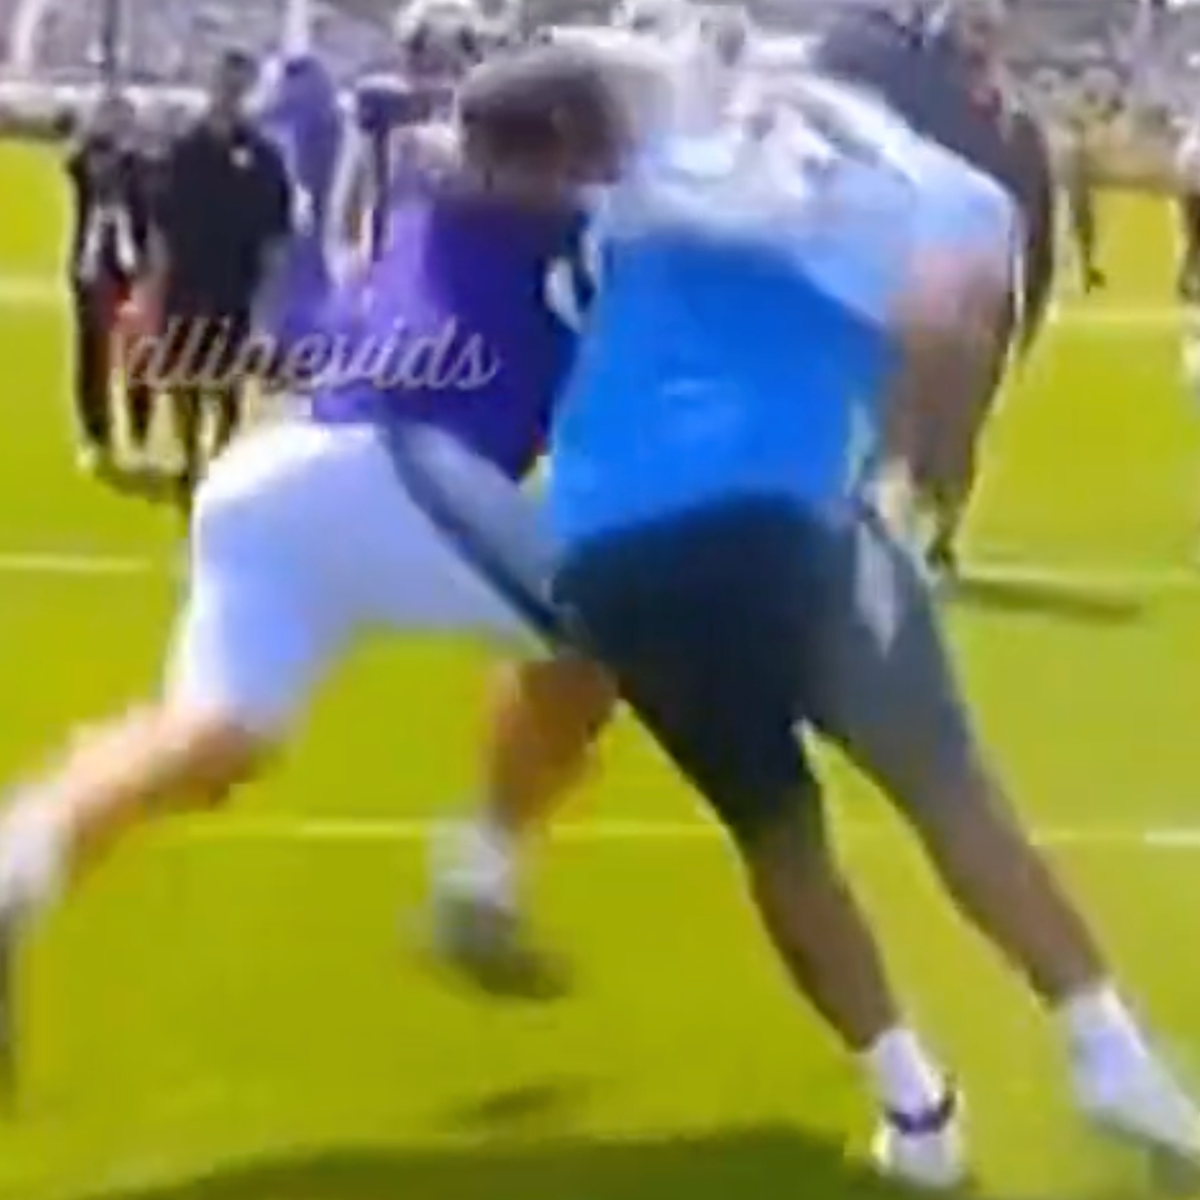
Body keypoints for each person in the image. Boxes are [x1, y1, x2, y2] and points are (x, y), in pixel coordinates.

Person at [473, 70, 1200, 1185]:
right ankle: (1104, 1043)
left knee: (778, 834)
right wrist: (922, 475)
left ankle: (917, 1113)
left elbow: (542, 222)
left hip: (611, 542)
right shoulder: (943, 191)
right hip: (791, 522)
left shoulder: (654, 163)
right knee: (948, 791)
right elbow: (953, 328)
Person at [0, 45, 629, 1078]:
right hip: (396, 470)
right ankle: (477, 885)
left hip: (274, 483)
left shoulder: (441, 189)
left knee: (212, 744)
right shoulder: (545, 214)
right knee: (605, 629)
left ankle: (15, 867)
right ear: (560, 146)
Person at [814, 0, 1057, 576]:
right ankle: (890, 521)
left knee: (961, 418)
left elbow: (1038, 223)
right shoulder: (931, 122)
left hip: (984, 284)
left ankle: (940, 530)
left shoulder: (1015, 130)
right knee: (899, 409)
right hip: (929, 278)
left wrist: (1031, 300)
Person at [129, 50, 292, 507]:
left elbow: (276, 228)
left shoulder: (263, 156)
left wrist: (269, 294)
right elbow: (160, 219)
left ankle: (221, 453)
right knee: (183, 373)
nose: (230, 94)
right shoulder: (183, 149)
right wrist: (154, 282)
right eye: (225, 83)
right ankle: (188, 454)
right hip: (186, 275)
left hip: (235, 279)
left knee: (226, 378)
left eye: (240, 85)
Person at [64, 92, 154, 475]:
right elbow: (76, 159)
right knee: (92, 355)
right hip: (91, 266)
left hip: (132, 269)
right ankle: (96, 434)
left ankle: (140, 428)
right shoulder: (85, 161)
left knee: (138, 354)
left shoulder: (142, 168)